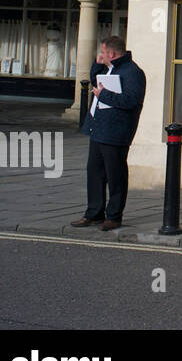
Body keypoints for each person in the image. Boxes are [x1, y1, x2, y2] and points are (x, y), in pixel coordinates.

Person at [70, 36, 146, 231]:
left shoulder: (133, 72)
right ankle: (94, 213)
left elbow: (131, 100)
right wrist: (97, 66)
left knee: (115, 175)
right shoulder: (108, 68)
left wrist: (103, 95)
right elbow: (96, 81)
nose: (101, 55)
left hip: (116, 131)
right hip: (99, 128)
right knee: (94, 173)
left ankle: (114, 216)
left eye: (103, 52)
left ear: (112, 53)